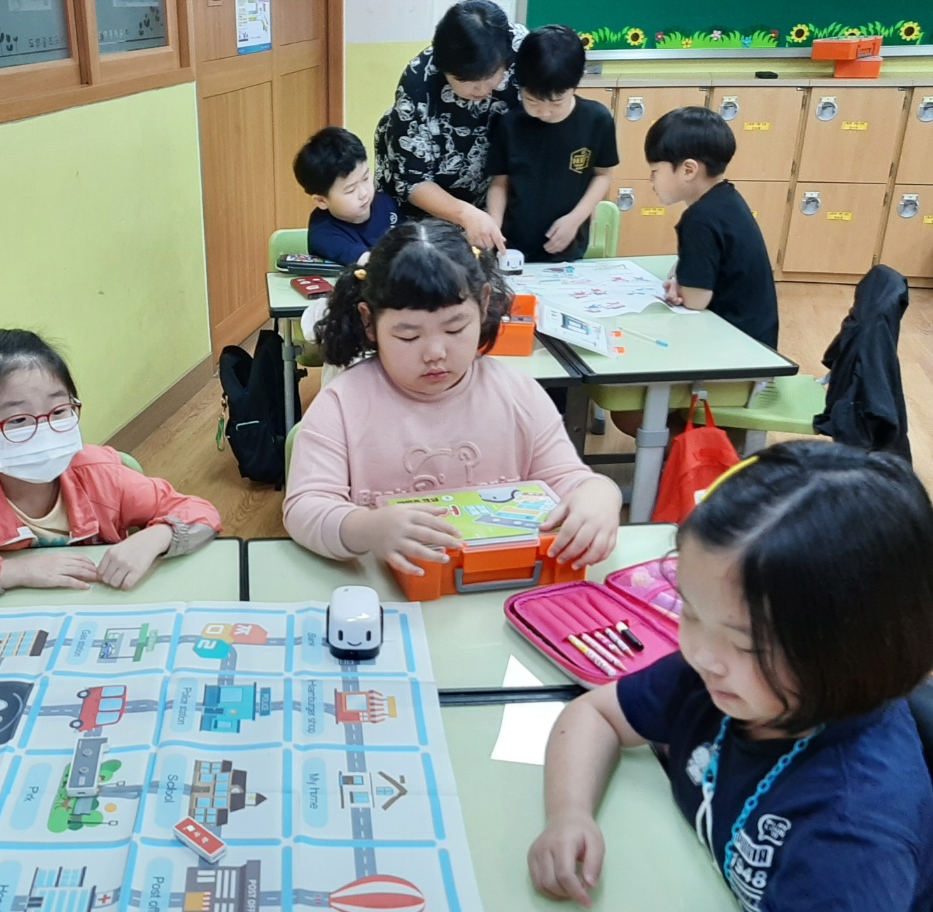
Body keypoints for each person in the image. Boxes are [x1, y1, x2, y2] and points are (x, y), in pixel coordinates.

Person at [428, 442, 933, 912]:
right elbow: (597, 713)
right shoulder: (727, 678)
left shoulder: (858, 823)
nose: (701, 655)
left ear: (858, 651)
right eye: (692, 613)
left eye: (747, 645)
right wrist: (569, 813)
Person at [282, 219, 621, 575]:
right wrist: (367, 528)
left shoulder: (518, 395)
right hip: (387, 589)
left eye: (455, 328)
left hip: (498, 583)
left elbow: (567, 478)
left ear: (484, 303)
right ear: (369, 322)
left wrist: (600, 494)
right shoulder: (342, 405)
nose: (435, 353)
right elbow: (305, 508)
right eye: (408, 336)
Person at [0, 329, 221, 609]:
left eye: (59, 411)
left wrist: (157, 537)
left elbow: (201, 513)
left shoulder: (99, 471)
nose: (44, 430)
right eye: (18, 420)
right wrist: (14, 572)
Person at [374, 0, 527, 251]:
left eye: (491, 76)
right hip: (429, 201)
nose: (481, 89)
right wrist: (465, 214)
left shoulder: (522, 49)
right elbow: (413, 181)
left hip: (493, 190)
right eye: (467, 81)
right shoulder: (418, 83)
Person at [648, 106, 779, 349]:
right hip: (758, 340)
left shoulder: (699, 218)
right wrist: (679, 279)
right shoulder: (726, 199)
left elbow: (696, 300)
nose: (651, 181)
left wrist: (679, 287)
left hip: (738, 350)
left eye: (655, 171)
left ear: (688, 170)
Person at [485, 25, 618, 263]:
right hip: (513, 249)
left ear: (575, 86)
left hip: (567, 245)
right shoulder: (509, 124)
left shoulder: (597, 120)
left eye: (556, 102)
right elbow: (499, 184)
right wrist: (494, 226)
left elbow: (603, 175)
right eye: (532, 101)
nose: (544, 112)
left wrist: (576, 219)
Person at [293, 126, 399, 267]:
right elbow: (370, 263)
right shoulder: (324, 235)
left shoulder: (386, 202)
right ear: (321, 201)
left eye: (365, 178)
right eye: (350, 190)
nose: (364, 193)